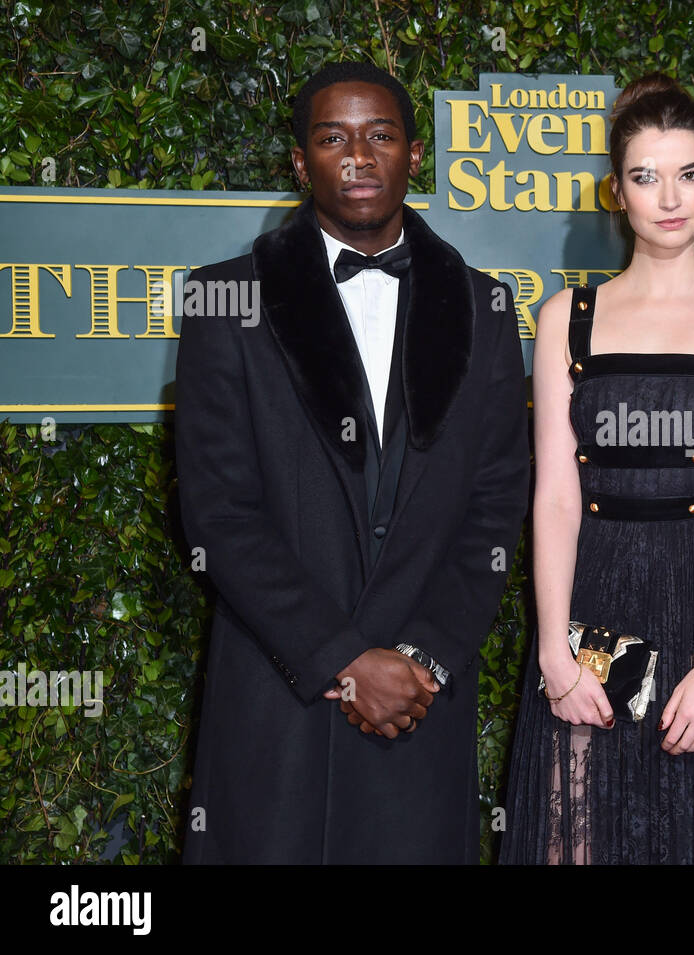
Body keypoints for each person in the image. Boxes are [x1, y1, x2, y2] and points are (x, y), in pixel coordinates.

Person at [175, 61, 530, 863]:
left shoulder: (487, 309)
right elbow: (217, 512)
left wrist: (422, 656)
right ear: (302, 163)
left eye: (381, 135)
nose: (359, 156)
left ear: (414, 154)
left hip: (418, 702)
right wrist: (341, 657)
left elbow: (497, 504)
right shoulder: (224, 301)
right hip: (279, 700)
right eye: (334, 138)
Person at [501, 73, 694, 864]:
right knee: (578, 842)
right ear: (616, 191)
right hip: (594, 607)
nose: (669, 197)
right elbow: (557, 500)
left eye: (689, 174)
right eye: (645, 176)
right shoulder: (567, 318)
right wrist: (553, 656)